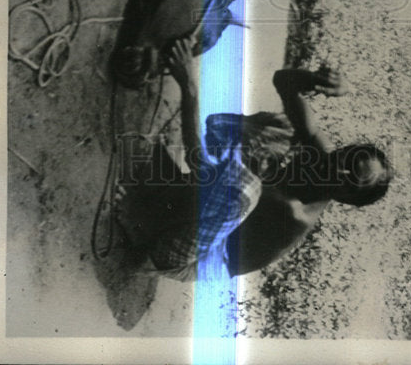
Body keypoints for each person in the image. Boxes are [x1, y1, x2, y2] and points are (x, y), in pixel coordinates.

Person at [113, 40, 392, 280]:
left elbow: (203, 166)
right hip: (204, 214)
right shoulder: (322, 155)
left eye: (349, 178)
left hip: (190, 258)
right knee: (282, 128)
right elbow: (284, 82)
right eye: (347, 160)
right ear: (343, 150)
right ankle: (160, 197)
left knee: (244, 186)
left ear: (346, 198)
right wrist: (318, 82)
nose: (338, 169)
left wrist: (189, 87)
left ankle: (143, 227)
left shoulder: (292, 212)